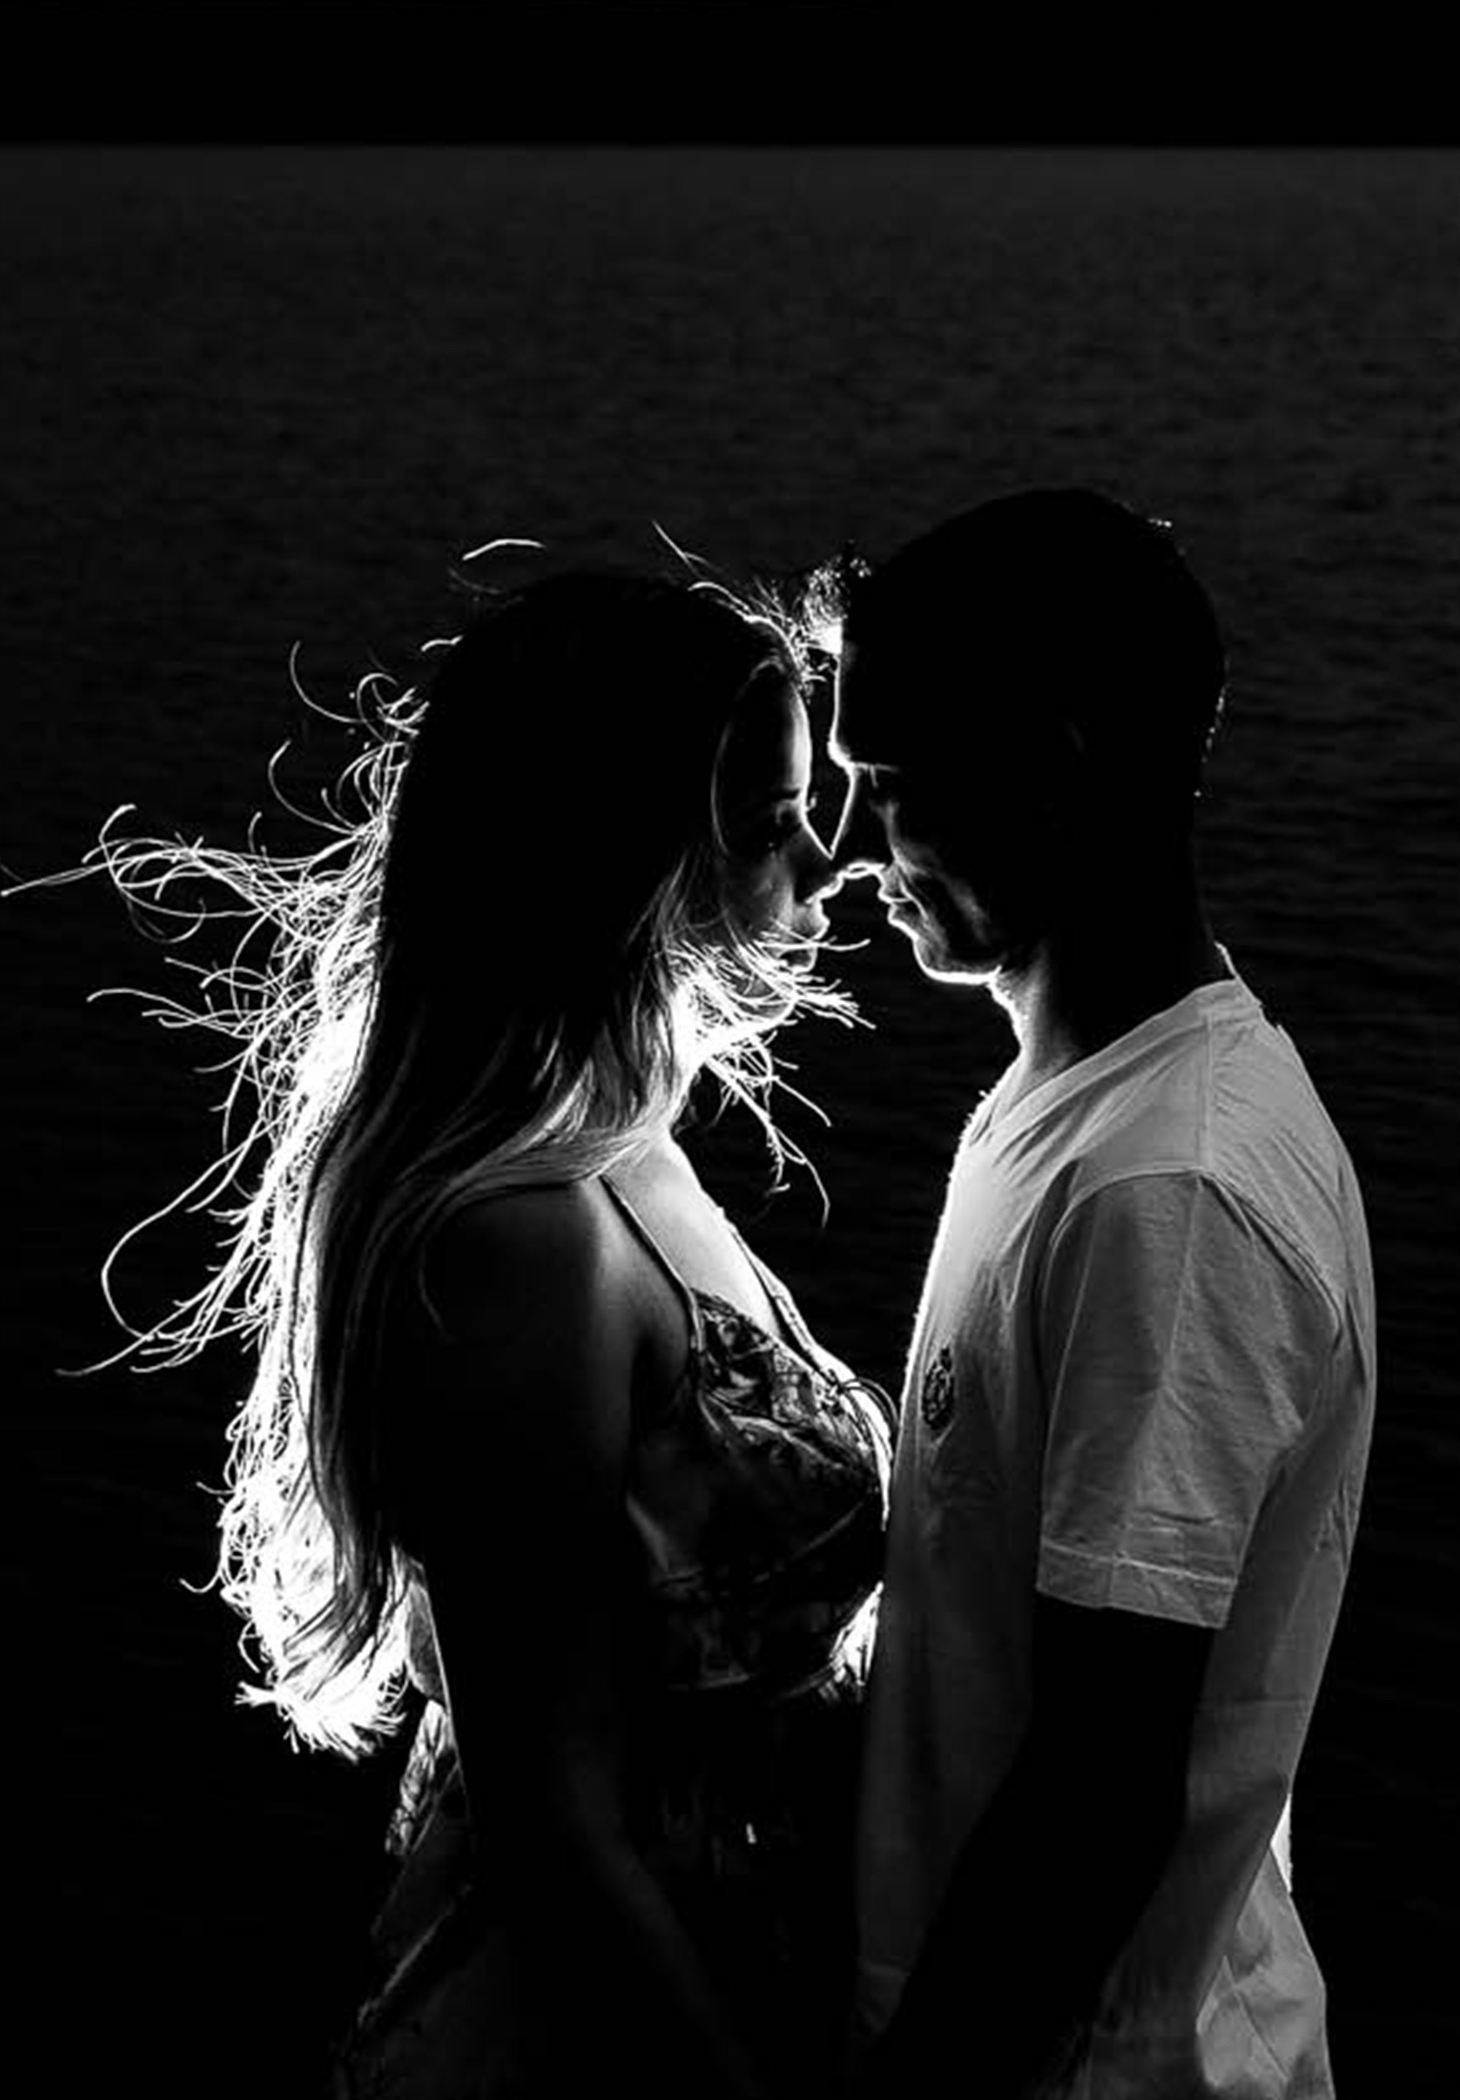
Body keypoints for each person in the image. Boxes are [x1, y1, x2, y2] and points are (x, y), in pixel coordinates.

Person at [95, 564, 890, 2099]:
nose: (828, 851)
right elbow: (553, 1830)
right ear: (634, 847)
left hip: (750, 1944)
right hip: (607, 2030)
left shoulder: (627, 1141)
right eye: (775, 811)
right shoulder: (516, 1246)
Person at [821, 492, 1376, 2100]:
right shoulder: (1073, 1104)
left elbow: (1101, 1786)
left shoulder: (1170, 1193)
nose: (858, 855)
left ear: (1051, 779)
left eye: (893, 789)